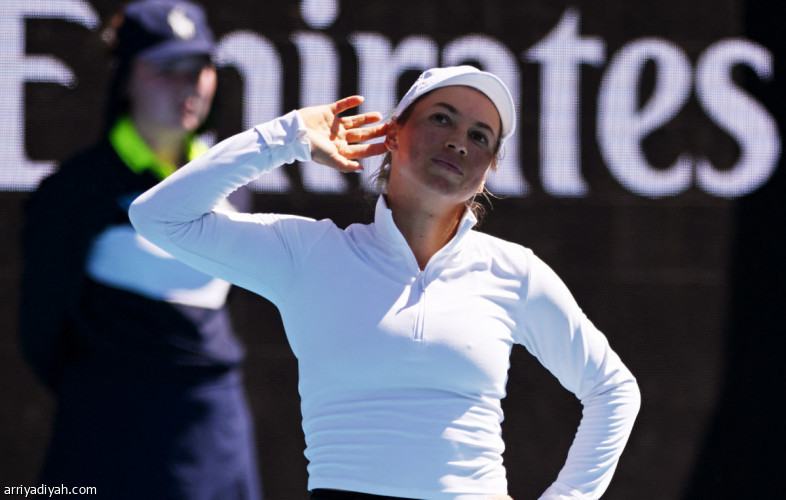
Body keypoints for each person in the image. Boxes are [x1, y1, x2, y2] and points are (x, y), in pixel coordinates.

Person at [129, 65, 641, 499]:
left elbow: (613, 389)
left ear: (486, 172)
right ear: (392, 135)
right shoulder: (310, 253)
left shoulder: (515, 271)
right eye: (442, 118)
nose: (458, 142)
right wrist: (285, 137)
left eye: (480, 137)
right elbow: (159, 217)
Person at [19, 1, 262, 498]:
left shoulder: (235, 188)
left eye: (198, 67)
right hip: (106, 437)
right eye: (166, 68)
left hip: (216, 434)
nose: (187, 85)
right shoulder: (73, 193)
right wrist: (109, 386)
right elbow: (41, 330)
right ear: (125, 77)